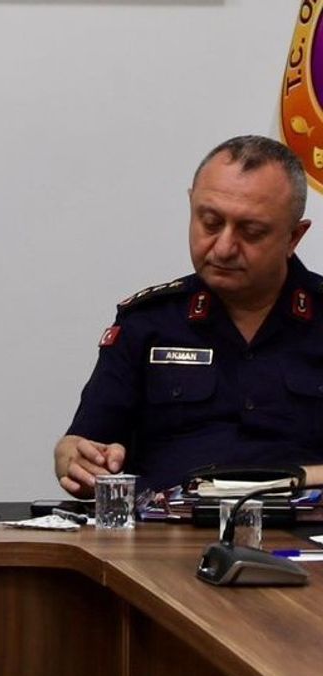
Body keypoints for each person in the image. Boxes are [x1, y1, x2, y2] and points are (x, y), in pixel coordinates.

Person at [55, 135, 323, 497]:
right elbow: (83, 444)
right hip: (166, 526)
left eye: (251, 232)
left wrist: (292, 479)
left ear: (294, 237)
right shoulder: (147, 323)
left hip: (307, 526)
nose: (224, 248)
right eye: (210, 222)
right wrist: (75, 458)